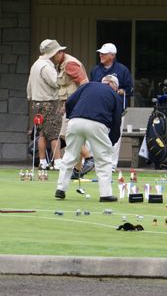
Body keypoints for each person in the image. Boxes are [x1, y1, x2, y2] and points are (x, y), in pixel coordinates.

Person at [54, 75, 123, 202]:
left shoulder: (87, 85)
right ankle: (105, 194)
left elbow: (69, 102)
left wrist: (72, 117)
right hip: (97, 124)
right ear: (114, 85)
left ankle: (60, 189)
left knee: (70, 155)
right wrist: (112, 140)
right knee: (103, 159)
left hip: (75, 121)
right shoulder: (115, 96)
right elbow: (117, 120)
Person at [50, 42, 94, 179]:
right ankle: (78, 170)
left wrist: (75, 103)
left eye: (52, 56)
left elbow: (84, 83)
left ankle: (89, 158)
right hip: (70, 106)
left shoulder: (70, 64)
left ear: (59, 52)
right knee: (74, 137)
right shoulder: (61, 64)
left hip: (76, 106)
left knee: (67, 135)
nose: (51, 59)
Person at [90, 43, 133, 170]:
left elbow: (130, 90)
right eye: (100, 53)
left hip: (117, 109)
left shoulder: (122, 70)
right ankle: (95, 162)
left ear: (112, 55)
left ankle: (112, 165)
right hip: (99, 109)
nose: (100, 55)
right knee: (97, 135)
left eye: (104, 53)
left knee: (115, 136)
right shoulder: (95, 70)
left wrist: (120, 91)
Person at [27, 39, 63, 170]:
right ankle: (58, 162)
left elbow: (29, 86)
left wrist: (31, 98)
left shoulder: (36, 64)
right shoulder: (46, 66)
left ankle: (42, 161)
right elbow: (55, 82)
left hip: (37, 102)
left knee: (42, 133)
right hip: (49, 102)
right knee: (54, 134)